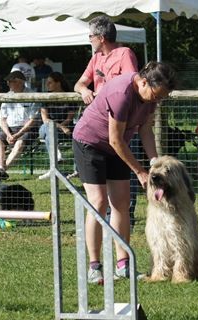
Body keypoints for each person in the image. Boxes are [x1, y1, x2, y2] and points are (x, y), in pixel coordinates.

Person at [72, 61, 177, 284]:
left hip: (118, 148)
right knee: (98, 202)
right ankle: (94, 267)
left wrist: (154, 162)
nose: (157, 100)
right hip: (90, 144)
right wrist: (139, 172)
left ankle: (123, 265)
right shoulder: (122, 93)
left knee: (121, 203)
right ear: (143, 82)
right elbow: (115, 139)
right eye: (157, 95)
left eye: (162, 98)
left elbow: (145, 129)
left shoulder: (150, 98)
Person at [73, 15, 140, 226]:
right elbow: (80, 83)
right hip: (98, 127)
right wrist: (84, 89)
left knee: (121, 194)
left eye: (90, 36)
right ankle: (95, 257)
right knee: (98, 198)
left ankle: (125, 218)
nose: (89, 40)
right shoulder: (96, 59)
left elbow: (132, 83)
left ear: (101, 37)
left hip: (120, 123)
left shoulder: (124, 53)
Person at [0, 71, 40, 178]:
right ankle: (0, 168)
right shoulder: (7, 96)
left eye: (10, 82)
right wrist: (8, 134)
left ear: (19, 82)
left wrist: (18, 134)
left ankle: (1, 171)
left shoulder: (32, 95)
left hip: (27, 129)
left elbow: (33, 120)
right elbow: (2, 119)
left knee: (20, 143)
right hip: (9, 129)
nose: (8, 84)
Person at [38, 72, 75, 180]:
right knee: (47, 128)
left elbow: (69, 118)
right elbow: (45, 119)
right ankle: (56, 157)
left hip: (65, 129)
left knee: (50, 133)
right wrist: (61, 127)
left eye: (50, 83)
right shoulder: (46, 97)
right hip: (49, 128)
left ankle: (53, 168)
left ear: (58, 83)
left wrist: (61, 127)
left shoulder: (69, 96)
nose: (47, 85)